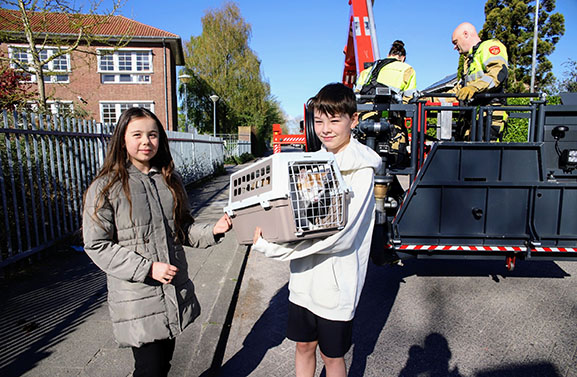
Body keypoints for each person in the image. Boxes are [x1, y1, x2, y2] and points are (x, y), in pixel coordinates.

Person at [82, 107, 232, 377]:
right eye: (137, 134)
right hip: (137, 295)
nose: (145, 141)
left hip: (172, 290)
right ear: (122, 139)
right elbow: (97, 245)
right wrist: (147, 269)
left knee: (163, 365)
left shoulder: (169, 179)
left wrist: (214, 230)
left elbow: (183, 228)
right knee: (149, 368)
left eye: (152, 135)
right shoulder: (106, 187)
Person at [252, 83, 382, 377]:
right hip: (303, 282)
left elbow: (341, 236)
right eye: (319, 120)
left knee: (332, 356)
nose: (325, 129)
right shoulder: (313, 162)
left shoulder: (361, 171)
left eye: (335, 120)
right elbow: (298, 216)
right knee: (303, 346)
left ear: (354, 120)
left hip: (337, 285)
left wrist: (273, 248)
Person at [355, 40, 416, 169]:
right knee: (394, 158)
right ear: (402, 58)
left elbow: (356, 95)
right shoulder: (407, 69)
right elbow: (408, 100)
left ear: (389, 54)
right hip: (390, 123)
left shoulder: (368, 70)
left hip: (364, 122)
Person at [450, 22, 509, 140]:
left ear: (466, 34)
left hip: (490, 113)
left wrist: (474, 88)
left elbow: (497, 74)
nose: (455, 47)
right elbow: (459, 91)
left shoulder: (490, 46)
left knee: (484, 153)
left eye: (456, 42)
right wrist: (425, 98)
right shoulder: (470, 60)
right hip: (474, 116)